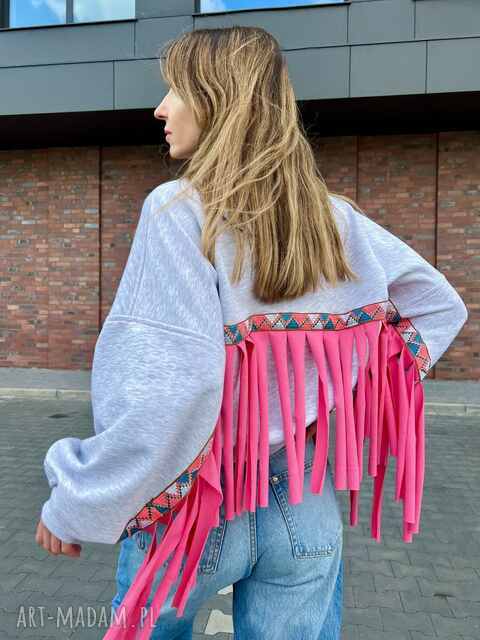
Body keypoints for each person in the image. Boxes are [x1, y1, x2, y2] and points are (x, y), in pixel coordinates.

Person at [36, 26, 469, 640]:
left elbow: (169, 389)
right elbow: (437, 307)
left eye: (176, 90)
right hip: (304, 507)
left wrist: (78, 500)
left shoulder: (178, 210)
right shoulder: (331, 218)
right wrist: (324, 403)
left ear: (219, 100)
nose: (160, 108)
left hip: (196, 515)